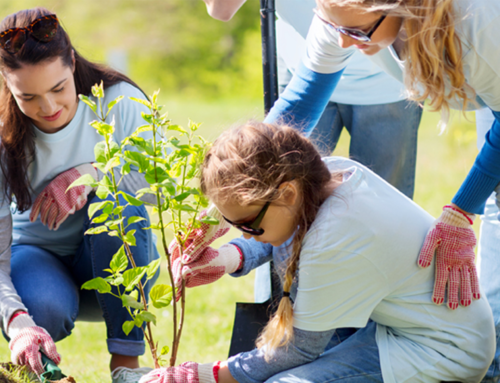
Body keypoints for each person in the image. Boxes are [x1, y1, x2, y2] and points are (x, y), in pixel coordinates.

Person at [139, 121, 495, 383]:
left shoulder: (334, 240)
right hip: (404, 326)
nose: (246, 234)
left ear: (287, 193)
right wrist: (226, 257)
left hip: (443, 350)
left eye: (248, 224)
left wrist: (202, 375)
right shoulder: (329, 174)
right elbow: (278, 231)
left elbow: (296, 351)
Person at [0, 8, 159, 383]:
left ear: (71, 62)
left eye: (58, 89)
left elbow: (164, 186)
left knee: (118, 205)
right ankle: (40, 367)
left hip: (117, 265)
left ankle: (125, 366)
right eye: (29, 97)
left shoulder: (117, 99)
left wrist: (93, 173)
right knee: (43, 308)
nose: (49, 108)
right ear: (7, 86)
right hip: (38, 262)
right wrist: (17, 320)